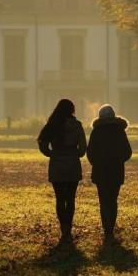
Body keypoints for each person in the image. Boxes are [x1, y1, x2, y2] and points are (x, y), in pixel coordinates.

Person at [37, 99, 87, 242]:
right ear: (72, 110)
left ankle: (63, 229)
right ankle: (68, 228)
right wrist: (75, 154)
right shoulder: (77, 125)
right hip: (72, 165)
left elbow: (42, 143)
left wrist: (51, 153)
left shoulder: (52, 124)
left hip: (57, 165)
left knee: (60, 198)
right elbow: (83, 148)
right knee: (70, 198)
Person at [86, 104, 132, 242]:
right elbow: (127, 152)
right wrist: (118, 160)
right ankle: (110, 228)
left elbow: (90, 152)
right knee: (113, 200)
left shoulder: (96, 131)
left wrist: (97, 163)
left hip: (100, 171)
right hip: (116, 170)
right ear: (113, 116)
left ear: (100, 117)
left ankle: (106, 228)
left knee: (103, 201)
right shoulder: (119, 131)